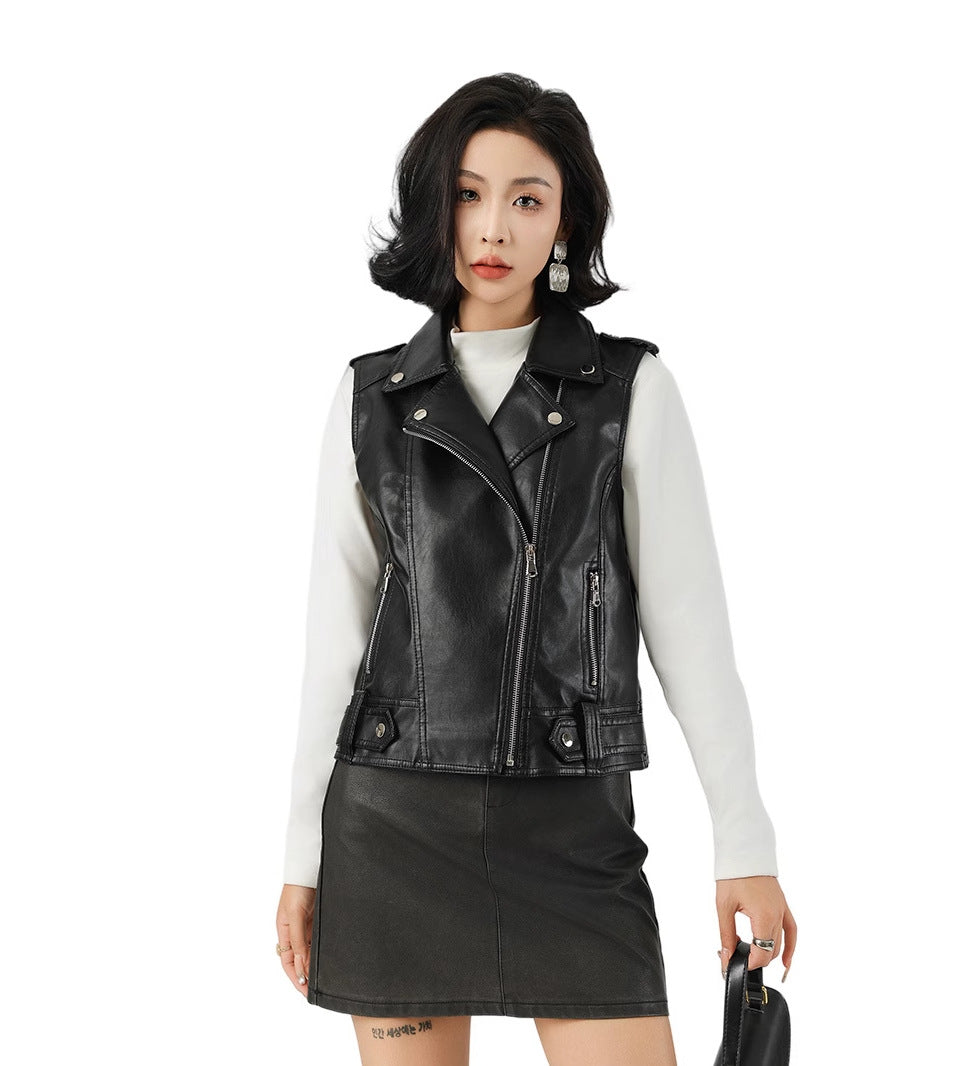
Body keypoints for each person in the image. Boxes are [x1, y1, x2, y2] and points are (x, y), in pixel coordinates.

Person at [275, 72, 797, 1066]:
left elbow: (691, 635)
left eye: (527, 198)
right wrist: (303, 859)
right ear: (434, 206)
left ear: (564, 222)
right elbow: (332, 650)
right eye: (468, 194)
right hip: (394, 828)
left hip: (572, 835)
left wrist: (745, 844)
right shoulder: (370, 399)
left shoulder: (629, 390)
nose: (493, 227)